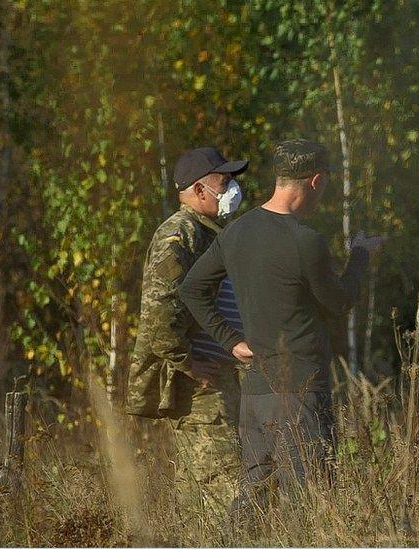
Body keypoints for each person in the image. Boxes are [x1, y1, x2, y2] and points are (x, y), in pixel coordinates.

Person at [180, 138, 384, 495]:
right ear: (316, 181)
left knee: (253, 499)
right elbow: (338, 303)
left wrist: (231, 341)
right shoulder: (305, 240)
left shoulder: (236, 231)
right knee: (309, 499)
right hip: (301, 391)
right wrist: (361, 258)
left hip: (256, 392)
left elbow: (192, 289)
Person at [125, 146, 249, 523]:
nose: (232, 191)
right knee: (223, 494)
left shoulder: (206, 233)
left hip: (214, 381)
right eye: (224, 183)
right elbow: (158, 315)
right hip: (200, 389)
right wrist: (190, 364)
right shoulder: (179, 235)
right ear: (199, 191)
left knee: (202, 500)